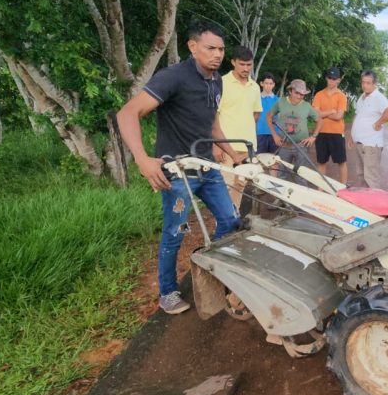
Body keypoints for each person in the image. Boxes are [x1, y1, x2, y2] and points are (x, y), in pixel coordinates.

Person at [116, 21, 242, 315]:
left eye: (221, 49)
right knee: (176, 232)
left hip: (207, 166)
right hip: (178, 171)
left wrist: (233, 154)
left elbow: (212, 125)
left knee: (230, 220)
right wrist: (142, 159)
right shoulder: (173, 77)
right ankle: (168, 292)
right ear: (192, 46)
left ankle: (212, 269)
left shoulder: (216, 81)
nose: (218, 54)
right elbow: (127, 113)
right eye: (211, 48)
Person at [217, 46, 262, 206]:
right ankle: (222, 220)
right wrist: (216, 145)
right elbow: (213, 115)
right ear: (233, 62)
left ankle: (234, 216)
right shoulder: (221, 83)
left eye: (249, 65)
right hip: (225, 146)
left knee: (240, 185)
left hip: (247, 146)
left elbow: (256, 114)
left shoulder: (255, 87)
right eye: (242, 64)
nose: (246, 68)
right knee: (225, 186)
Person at [267, 79, 322, 186]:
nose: (300, 96)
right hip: (284, 146)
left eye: (302, 94)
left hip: (301, 146)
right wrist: (274, 135)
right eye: (297, 93)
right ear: (290, 91)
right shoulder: (281, 102)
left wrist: (313, 136)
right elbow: (269, 116)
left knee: (301, 175)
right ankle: (281, 196)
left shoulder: (306, 106)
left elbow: (320, 120)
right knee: (281, 175)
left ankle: (302, 196)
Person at [350, 70, 388, 189]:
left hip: (371, 145)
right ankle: (365, 200)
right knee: (361, 175)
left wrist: (378, 123)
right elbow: (357, 115)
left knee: (371, 178)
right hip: (360, 143)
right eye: (363, 82)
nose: (365, 85)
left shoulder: (378, 97)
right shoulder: (362, 97)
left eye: (368, 83)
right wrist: (351, 136)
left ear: (374, 84)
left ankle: (374, 201)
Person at [312, 67, 349, 184]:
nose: (331, 81)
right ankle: (320, 189)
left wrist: (323, 114)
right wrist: (331, 111)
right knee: (321, 162)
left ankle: (343, 188)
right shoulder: (319, 94)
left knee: (341, 162)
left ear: (338, 80)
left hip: (337, 133)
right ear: (326, 78)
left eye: (334, 78)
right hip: (321, 132)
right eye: (329, 78)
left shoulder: (342, 96)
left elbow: (339, 116)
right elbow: (315, 115)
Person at [255, 72, 279, 155]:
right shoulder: (256, 99)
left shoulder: (278, 100)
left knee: (274, 159)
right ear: (261, 83)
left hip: (275, 134)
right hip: (259, 133)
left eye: (270, 83)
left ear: (274, 85)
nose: (268, 86)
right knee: (259, 158)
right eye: (266, 83)